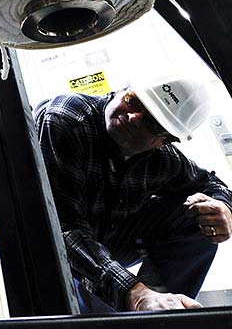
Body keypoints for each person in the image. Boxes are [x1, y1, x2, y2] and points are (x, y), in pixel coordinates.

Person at [34, 77, 232, 312]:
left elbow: (210, 182)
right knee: (90, 313)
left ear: (164, 141)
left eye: (151, 122)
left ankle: (162, 313)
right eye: (134, 101)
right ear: (122, 88)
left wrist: (223, 206)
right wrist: (134, 293)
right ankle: (139, 304)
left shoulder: (161, 159)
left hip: (107, 238)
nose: (133, 117)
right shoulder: (67, 119)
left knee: (199, 215)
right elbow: (62, 229)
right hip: (41, 243)